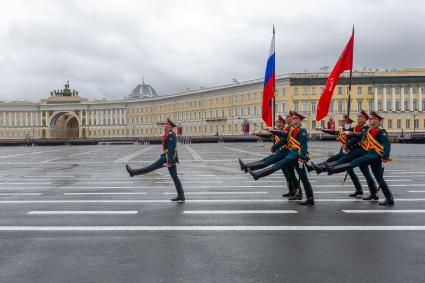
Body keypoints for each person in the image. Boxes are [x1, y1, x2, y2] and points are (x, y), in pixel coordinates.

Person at [326, 111, 394, 206]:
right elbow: (360, 135)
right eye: (370, 119)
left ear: (378, 120)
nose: (370, 120)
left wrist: (385, 157)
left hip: (376, 156)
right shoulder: (370, 130)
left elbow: (387, 145)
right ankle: (386, 197)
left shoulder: (381, 131)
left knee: (357, 161)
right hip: (370, 154)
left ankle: (334, 169)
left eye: (372, 119)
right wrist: (350, 133)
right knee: (379, 179)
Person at [247, 111, 314, 206]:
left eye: (295, 118)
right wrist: (272, 130)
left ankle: (258, 174)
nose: (293, 120)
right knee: (302, 177)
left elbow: (304, 146)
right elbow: (284, 135)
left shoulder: (302, 131)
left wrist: (302, 158)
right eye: (293, 118)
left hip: (297, 155)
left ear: (299, 121)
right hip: (292, 154)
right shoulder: (291, 130)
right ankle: (310, 198)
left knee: (283, 165)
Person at [305, 114, 369, 198]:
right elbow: (336, 132)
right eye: (358, 117)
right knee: (345, 167)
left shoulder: (365, 128)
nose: (358, 118)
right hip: (353, 152)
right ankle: (359, 190)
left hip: (360, 152)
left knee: (365, 173)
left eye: (345, 122)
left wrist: (349, 139)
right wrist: (323, 130)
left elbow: (357, 137)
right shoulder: (355, 128)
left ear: (365, 119)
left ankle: (319, 168)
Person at [239, 113, 298, 198]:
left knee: (270, 163)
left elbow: (284, 139)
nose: (277, 123)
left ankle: (248, 168)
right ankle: (292, 191)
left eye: (278, 121)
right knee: (287, 174)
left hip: (285, 152)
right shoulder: (285, 129)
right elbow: (272, 137)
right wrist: (261, 134)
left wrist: (274, 146)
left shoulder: (288, 129)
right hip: (282, 152)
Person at [126, 118, 185, 202]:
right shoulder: (168, 134)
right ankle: (181, 195)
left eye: (166, 124)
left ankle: (133, 172)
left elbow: (172, 149)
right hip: (167, 157)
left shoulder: (171, 135)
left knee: (150, 168)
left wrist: (169, 162)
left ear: (170, 126)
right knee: (175, 177)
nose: (165, 125)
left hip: (167, 158)